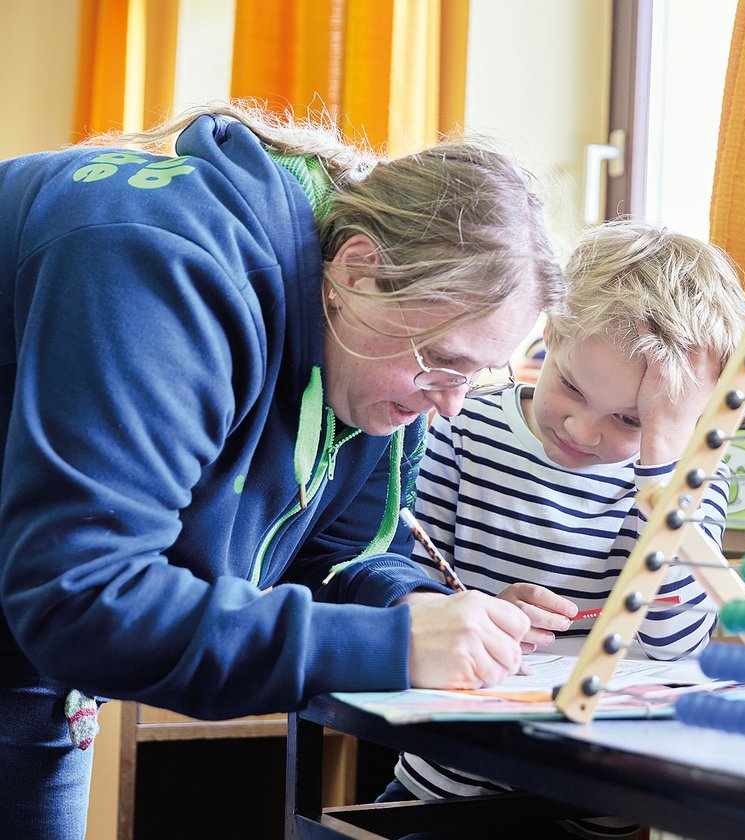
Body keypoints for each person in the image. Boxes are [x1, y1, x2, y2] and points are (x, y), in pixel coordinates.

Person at [0, 102, 565, 839]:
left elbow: (342, 558)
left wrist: (413, 608)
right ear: (359, 270)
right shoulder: (164, 264)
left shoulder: (374, 359)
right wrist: (391, 649)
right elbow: (81, 598)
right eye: (442, 365)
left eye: (478, 376)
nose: (450, 407)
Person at [380, 219, 745, 838]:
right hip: (449, 790)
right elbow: (403, 582)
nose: (583, 430)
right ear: (550, 332)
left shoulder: (690, 484)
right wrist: (473, 608)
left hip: (596, 803)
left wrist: (662, 462)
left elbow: (677, 641)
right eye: (572, 387)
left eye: (630, 419)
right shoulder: (460, 430)